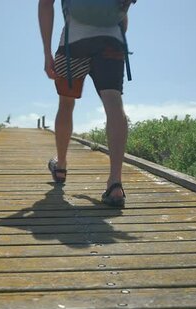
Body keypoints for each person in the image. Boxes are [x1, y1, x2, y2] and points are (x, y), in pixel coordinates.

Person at [38, 0, 136, 207]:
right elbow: (122, 15)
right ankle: (115, 184)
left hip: (73, 43)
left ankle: (61, 165)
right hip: (112, 41)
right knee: (114, 103)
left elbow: (46, 4)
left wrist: (47, 52)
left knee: (66, 104)